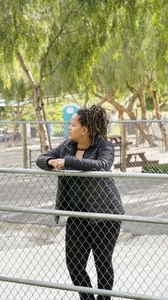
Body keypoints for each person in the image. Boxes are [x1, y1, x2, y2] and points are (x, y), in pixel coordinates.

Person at [36, 105, 124, 300]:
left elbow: (102, 165)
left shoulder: (104, 146)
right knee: (74, 264)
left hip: (104, 215)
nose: (69, 127)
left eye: (72, 124)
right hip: (78, 215)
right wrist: (52, 162)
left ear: (84, 129)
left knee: (102, 262)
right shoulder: (68, 145)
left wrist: (67, 162)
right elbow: (41, 159)